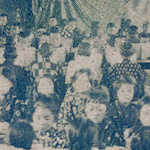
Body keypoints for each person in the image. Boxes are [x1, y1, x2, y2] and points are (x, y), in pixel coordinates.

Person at [70, 85, 125, 150]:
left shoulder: (111, 127)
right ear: (85, 109)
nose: (95, 113)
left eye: (100, 110)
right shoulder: (77, 128)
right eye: (91, 109)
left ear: (106, 110)